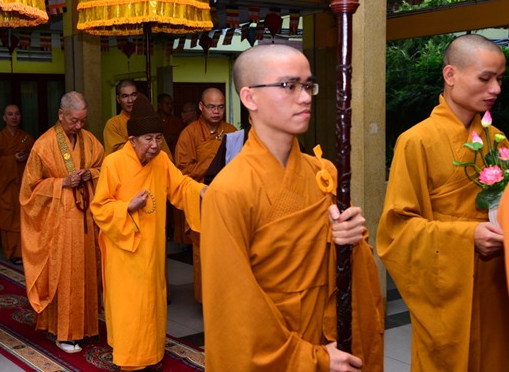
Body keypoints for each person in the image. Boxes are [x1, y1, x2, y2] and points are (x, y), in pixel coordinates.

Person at [201, 44, 384, 371]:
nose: (304, 97)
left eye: (308, 86)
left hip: (333, 340)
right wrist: (311, 358)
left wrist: (351, 240)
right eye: (289, 85)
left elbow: (351, 269)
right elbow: (234, 305)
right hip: (278, 351)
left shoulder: (323, 173)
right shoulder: (229, 190)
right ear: (249, 97)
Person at [378, 33, 509, 371]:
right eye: (485, 78)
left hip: (495, 284)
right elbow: (396, 230)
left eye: (499, 78)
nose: (495, 88)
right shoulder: (416, 141)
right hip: (445, 288)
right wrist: (468, 236)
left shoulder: (497, 139)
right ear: (450, 75)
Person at [91, 94, 206, 371]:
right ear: (132, 140)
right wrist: (126, 207)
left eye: (158, 138)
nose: (155, 145)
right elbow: (99, 207)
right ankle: (130, 359)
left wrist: (202, 191)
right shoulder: (114, 163)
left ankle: (152, 354)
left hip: (152, 247)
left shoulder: (161, 160)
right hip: (125, 248)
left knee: (152, 302)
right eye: (148, 139)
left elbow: (180, 186)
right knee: (130, 305)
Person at [19, 91, 103, 354]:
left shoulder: (90, 141)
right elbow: (29, 191)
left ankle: (86, 327)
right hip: (60, 225)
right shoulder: (43, 145)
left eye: (83, 120)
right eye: (74, 120)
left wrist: (92, 173)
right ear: (61, 115)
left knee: (86, 273)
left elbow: (105, 169)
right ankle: (64, 332)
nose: (79, 125)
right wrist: (61, 183)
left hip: (86, 221)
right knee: (65, 276)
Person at [174, 87, 237, 302]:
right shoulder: (189, 134)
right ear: (201, 107)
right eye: (211, 107)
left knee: (228, 250)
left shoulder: (231, 131)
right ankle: (206, 300)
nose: (216, 111)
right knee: (204, 251)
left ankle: (228, 299)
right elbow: (182, 171)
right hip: (202, 199)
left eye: (220, 107)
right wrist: (213, 161)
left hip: (227, 199)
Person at [0, 104, 35, 265]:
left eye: (16, 114)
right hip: (6, 186)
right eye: (10, 114)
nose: (14, 117)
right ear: (4, 118)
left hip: (23, 184)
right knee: (8, 217)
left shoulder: (26, 138)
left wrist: (26, 156)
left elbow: (37, 158)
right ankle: (11, 251)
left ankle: (23, 251)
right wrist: (12, 159)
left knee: (23, 218)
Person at [103, 80, 172, 158]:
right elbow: (116, 154)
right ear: (118, 99)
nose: (130, 100)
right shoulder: (113, 124)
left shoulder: (150, 121)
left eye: (134, 95)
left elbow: (165, 153)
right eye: (125, 96)